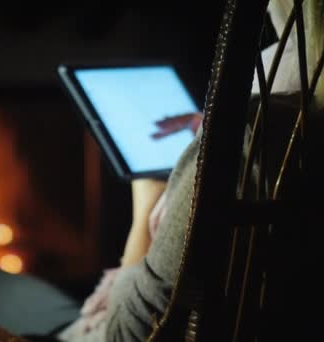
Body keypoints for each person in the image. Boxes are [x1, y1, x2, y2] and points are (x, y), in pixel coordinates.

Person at [57, 0, 323, 340]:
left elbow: (132, 334)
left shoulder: (253, 131)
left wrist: (146, 202)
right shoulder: (295, 112)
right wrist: (205, 130)